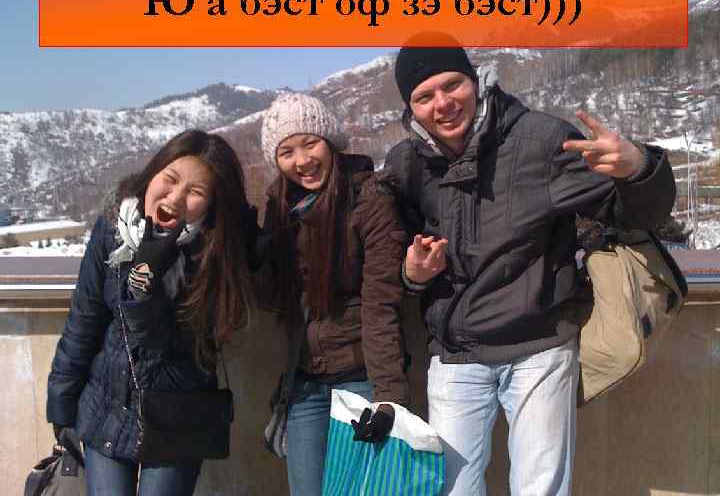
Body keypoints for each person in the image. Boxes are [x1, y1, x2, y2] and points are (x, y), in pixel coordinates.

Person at [382, 34, 676, 496]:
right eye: (425, 96)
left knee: (540, 488)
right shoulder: (407, 166)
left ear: (476, 81)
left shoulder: (541, 141)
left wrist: (638, 168)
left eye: (452, 84)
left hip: (540, 346)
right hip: (456, 354)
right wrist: (412, 275)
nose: (443, 103)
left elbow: (635, 214)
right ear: (411, 109)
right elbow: (385, 252)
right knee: (451, 489)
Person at [46, 130, 257, 496]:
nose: (175, 198)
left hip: (178, 418)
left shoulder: (216, 254)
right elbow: (84, 320)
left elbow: (181, 348)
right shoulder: (113, 229)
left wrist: (145, 285)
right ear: (153, 173)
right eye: (170, 179)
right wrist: (62, 403)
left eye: (195, 191)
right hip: (107, 406)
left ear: (212, 204)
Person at [257, 93, 409, 495]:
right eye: (287, 151)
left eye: (310, 143)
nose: (302, 160)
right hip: (304, 382)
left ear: (331, 142)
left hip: (360, 378)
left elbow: (380, 304)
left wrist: (388, 398)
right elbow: (274, 298)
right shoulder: (280, 208)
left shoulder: (370, 200)